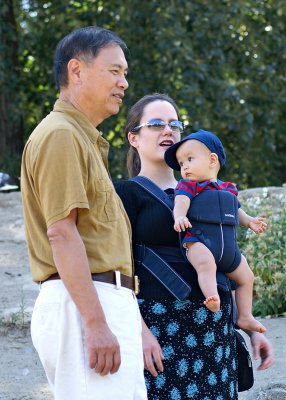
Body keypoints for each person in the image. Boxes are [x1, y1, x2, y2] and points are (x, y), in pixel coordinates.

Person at [115, 93, 273, 399]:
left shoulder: (207, 189)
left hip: (215, 330)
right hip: (161, 329)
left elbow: (226, 257)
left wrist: (251, 329)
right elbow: (115, 270)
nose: (168, 131)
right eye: (157, 124)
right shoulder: (125, 193)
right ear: (134, 138)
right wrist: (140, 333)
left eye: (175, 124)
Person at [21, 26, 147, 400]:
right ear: (76, 71)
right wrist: (95, 323)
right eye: (115, 71)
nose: (124, 83)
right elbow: (62, 233)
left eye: (125, 73)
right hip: (86, 305)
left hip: (98, 303)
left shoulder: (82, 138)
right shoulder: (61, 134)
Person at [164, 129, 267, 334]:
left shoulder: (228, 189)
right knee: (205, 264)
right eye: (181, 163)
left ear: (212, 160)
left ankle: (245, 316)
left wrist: (250, 222)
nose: (184, 167)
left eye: (189, 159)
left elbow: (236, 210)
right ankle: (212, 297)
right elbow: (181, 202)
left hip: (229, 251)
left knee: (246, 276)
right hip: (199, 241)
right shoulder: (189, 186)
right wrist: (180, 216)